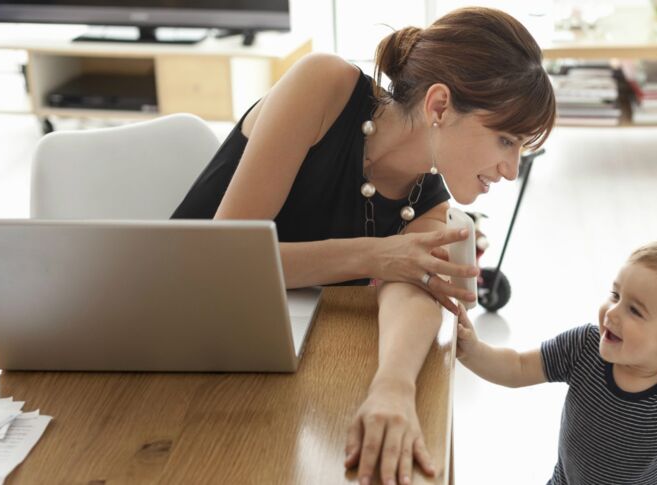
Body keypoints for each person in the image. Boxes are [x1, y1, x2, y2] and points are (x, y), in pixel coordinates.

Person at [171, 6, 555, 485]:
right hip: (172, 333)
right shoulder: (324, 86)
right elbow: (221, 260)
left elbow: (410, 292)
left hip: (259, 357)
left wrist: (392, 388)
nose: (512, 169)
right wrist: (377, 256)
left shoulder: (427, 202)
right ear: (439, 107)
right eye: (505, 140)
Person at [455, 241, 657, 484]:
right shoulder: (585, 346)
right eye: (615, 295)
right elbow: (519, 367)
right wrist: (472, 350)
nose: (612, 313)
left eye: (635, 311)